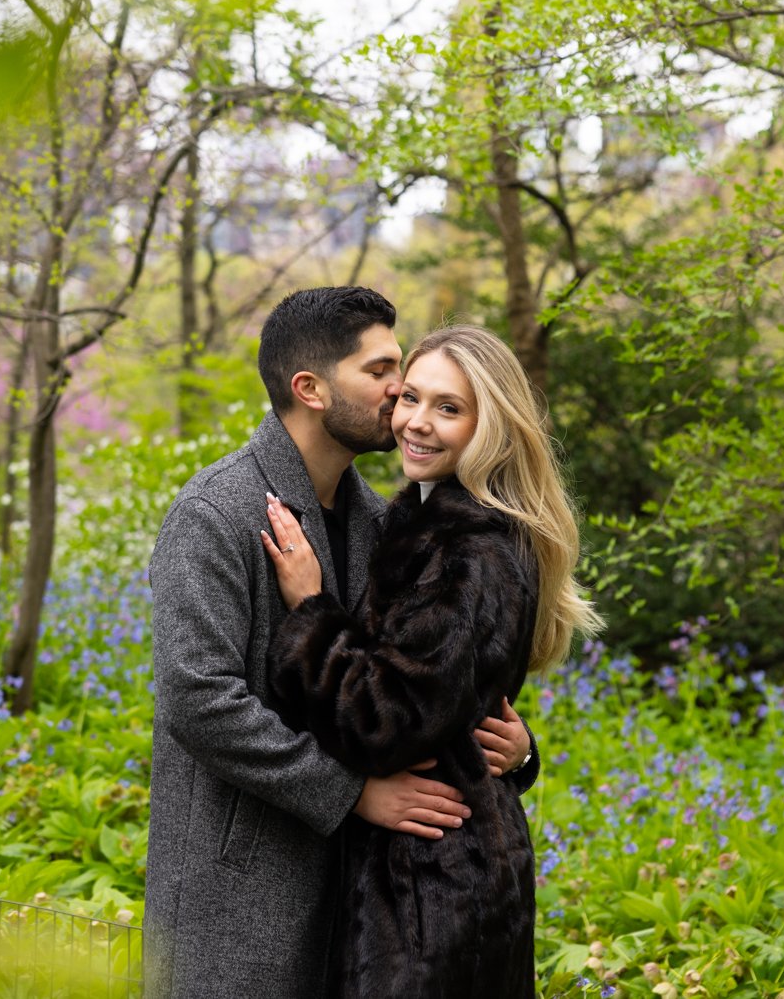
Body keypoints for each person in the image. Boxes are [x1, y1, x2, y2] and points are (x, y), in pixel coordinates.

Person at [145, 289, 539, 999]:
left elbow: (419, 678)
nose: (400, 391)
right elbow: (197, 699)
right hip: (243, 886)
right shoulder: (216, 512)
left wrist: (518, 745)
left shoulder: (380, 519)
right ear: (311, 389)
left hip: (360, 896)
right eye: (384, 370)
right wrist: (351, 791)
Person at [259, 325, 603, 999]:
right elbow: (455, 700)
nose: (417, 422)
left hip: (433, 883)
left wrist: (310, 611)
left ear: (490, 426)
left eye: (449, 408)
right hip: (441, 862)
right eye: (411, 396)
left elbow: (387, 719)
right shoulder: (424, 521)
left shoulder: (469, 550)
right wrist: (522, 754)